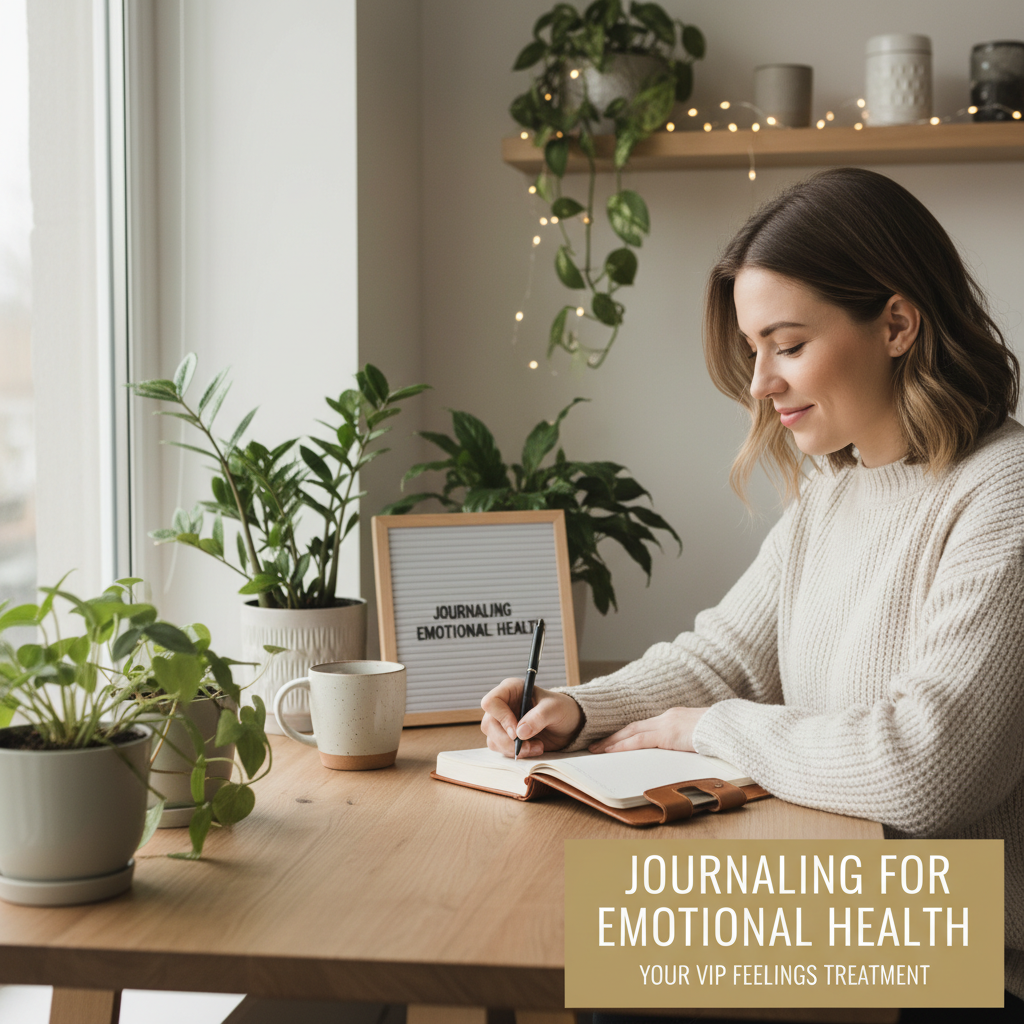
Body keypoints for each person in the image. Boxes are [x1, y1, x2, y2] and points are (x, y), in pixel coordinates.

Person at [480, 168, 1024, 1016]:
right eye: (753, 347)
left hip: (975, 944)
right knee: (570, 934)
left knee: (610, 956)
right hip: (869, 901)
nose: (760, 383)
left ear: (897, 323)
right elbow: (729, 652)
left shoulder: (1002, 491)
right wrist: (581, 708)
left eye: (789, 344)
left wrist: (709, 732)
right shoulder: (839, 486)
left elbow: (929, 766)